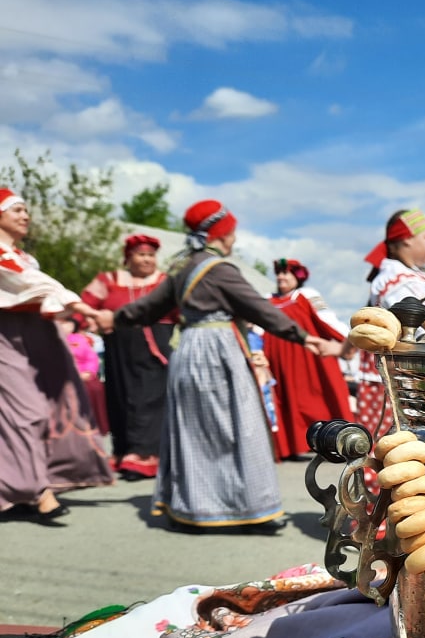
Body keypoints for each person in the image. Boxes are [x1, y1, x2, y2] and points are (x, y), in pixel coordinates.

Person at [96, 200, 335, 533]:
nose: (234, 239)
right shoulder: (219, 270)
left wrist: (114, 318)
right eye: (232, 232)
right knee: (238, 428)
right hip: (217, 350)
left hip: (187, 352)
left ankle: (194, 510)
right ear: (223, 233)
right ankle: (250, 509)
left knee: (194, 432)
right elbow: (257, 308)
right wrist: (302, 336)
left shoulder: (181, 269)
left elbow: (147, 308)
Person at [0, 187, 113, 523]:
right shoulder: (8, 261)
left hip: (31, 336)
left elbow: (36, 287)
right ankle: (37, 491)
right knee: (28, 411)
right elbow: (35, 285)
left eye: (25, 210)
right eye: (16, 209)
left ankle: (19, 487)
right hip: (6, 337)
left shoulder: (21, 257)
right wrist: (84, 307)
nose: (25, 215)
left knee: (49, 407)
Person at [80, 233, 172, 480]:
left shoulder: (165, 281)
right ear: (128, 257)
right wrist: (76, 323)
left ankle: (144, 456)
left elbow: (184, 308)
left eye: (151, 256)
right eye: (141, 255)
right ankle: (123, 452)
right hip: (118, 351)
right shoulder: (109, 280)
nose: (147, 260)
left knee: (147, 401)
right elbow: (85, 305)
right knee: (120, 399)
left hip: (154, 351)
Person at [357, 209, 425, 444]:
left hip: (408, 377)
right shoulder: (397, 281)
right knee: (397, 452)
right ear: (406, 239)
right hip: (399, 382)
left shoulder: (410, 276)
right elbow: (417, 327)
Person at [261, 258, 352, 460]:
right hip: (278, 365)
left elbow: (328, 320)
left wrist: (349, 341)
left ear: (297, 277)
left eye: (286, 273)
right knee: (283, 401)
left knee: (317, 398)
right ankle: (292, 446)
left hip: (310, 362)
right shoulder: (267, 300)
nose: (281, 277)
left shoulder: (306, 296)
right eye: (278, 273)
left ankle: (333, 441)